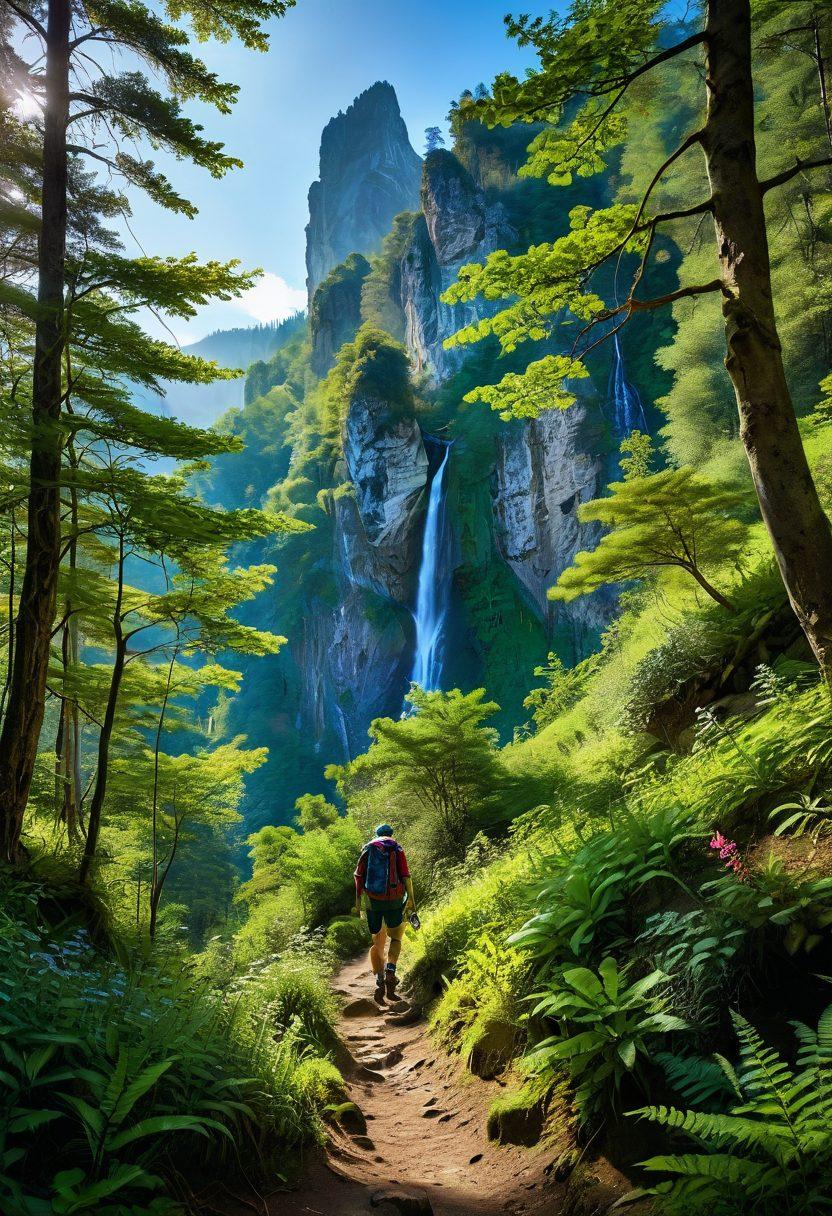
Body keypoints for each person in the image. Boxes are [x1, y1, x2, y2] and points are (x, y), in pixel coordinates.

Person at [353, 823, 416, 1004]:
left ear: (377, 834)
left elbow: (358, 876)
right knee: (395, 938)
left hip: (373, 901)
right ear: (391, 834)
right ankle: (391, 970)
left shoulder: (368, 847)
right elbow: (406, 876)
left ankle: (379, 978)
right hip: (395, 900)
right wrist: (412, 901)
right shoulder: (397, 847)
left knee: (377, 940)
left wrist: (358, 902)